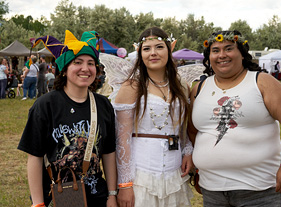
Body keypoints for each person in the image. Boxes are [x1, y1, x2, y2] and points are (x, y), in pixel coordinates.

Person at [188, 30, 281, 207]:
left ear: (242, 53)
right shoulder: (199, 88)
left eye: (229, 48)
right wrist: (198, 168)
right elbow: (193, 131)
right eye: (215, 50)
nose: (222, 55)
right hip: (212, 189)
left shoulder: (262, 82)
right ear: (209, 57)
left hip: (259, 190)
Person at [18, 30, 117, 207]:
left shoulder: (103, 105)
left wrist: (112, 195)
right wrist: (38, 203)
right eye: (77, 62)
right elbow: (34, 157)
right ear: (64, 69)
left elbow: (109, 152)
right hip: (57, 197)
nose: (85, 69)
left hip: (97, 196)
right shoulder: (45, 105)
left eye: (91, 63)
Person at [114, 26, 193, 207]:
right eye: (147, 49)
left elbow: (182, 126)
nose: (153, 53)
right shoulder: (131, 86)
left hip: (174, 174)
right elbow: (122, 139)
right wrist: (125, 184)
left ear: (169, 49)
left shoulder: (181, 85)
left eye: (159, 47)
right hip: (142, 177)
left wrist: (187, 150)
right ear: (140, 53)